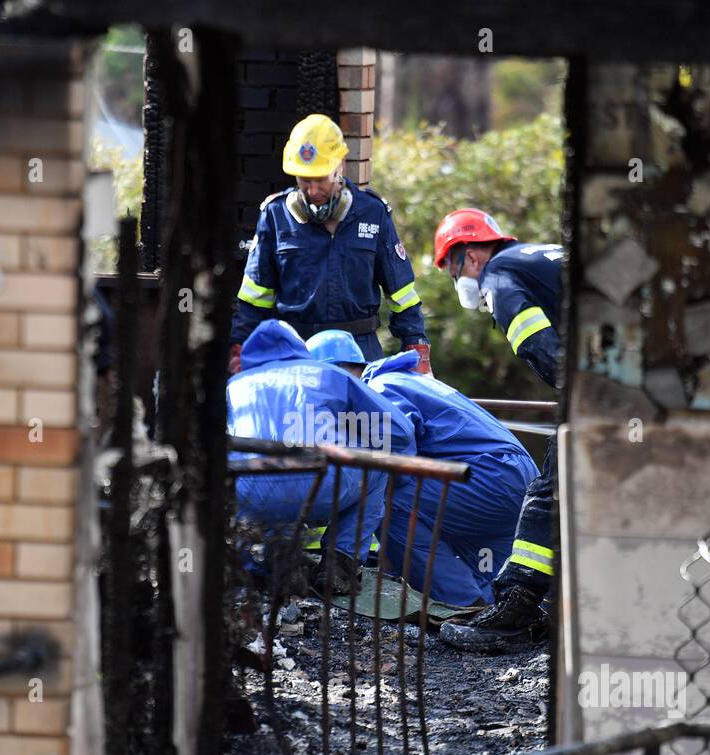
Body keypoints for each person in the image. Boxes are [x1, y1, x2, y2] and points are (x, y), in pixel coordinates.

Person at [307, 329, 538, 608]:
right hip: (515, 479)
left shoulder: (379, 390)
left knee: (383, 492)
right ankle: (500, 610)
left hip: (487, 479)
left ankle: (463, 604)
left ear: (337, 374)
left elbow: (395, 456)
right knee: (493, 581)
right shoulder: (404, 379)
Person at [428, 208, 564, 652]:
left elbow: (537, 342)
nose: (455, 280)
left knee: (548, 496)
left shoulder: (500, 274)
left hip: (609, 384)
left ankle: (515, 611)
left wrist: (581, 392)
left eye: (450, 268)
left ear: (469, 255)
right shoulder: (537, 257)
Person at [230, 113, 432, 376]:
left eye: (320, 179)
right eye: (304, 180)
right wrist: (238, 349)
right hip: (295, 353)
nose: (313, 190)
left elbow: (402, 295)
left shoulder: (373, 213)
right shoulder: (275, 216)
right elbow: (254, 299)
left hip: (359, 353)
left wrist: (417, 348)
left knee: (357, 419)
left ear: (340, 166)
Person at [228, 320, 414, 595]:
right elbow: (399, 430)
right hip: (321, 482)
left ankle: (275, 563)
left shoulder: (234, 385)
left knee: (250, 484)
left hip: (250, 489)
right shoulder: (327, 374)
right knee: (376, 462)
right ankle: (339, 565)